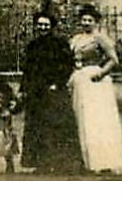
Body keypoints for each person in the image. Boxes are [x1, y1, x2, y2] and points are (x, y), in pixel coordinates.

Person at [20, 11, 83, 173]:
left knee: (56, 126)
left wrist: (57, 83)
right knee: (37, 127)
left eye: (46, 25)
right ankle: (41, 163)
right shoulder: (32, 45)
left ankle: (60, 162)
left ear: (52, 26)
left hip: (54, 90)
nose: (43, 27)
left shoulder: (59, 44)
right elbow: (27, 69)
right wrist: (23, 89)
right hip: (36, 91)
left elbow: (67, 65)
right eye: (40, 24)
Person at [68, 4, 122, 174]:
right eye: (83, 20)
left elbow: (113, 60)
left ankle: (103, 161)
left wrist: (101, 73)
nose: (86, 23)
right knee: (82, 119)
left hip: (96, 82)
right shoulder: (76, 39)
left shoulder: (100, 38)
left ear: (95, 22)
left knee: (98, 121)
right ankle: (86, 161)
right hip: (79, 80)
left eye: (89, 20)